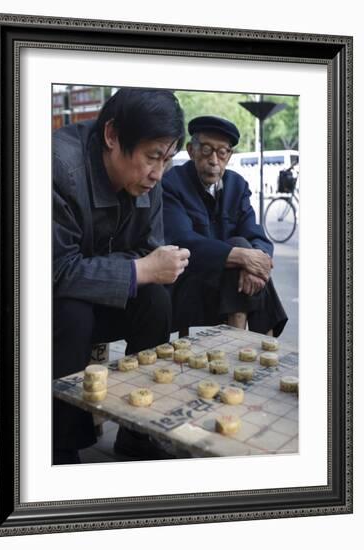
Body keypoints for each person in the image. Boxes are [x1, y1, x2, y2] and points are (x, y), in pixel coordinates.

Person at [53, 88, 189, 464]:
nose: (157, 173)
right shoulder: (57, 166)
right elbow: (53, 270)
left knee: (156, 298)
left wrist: (141, 269)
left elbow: (149, 248)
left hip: (99, 295)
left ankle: (137, 431)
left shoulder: (151, 179)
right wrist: (137, 268)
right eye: (151, 157)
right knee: (71, 310)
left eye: (167, 158)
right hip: (44, 305)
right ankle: (57, 446)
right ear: (112, 136)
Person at [162, 115, 287, 336]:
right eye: (207, 150)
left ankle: (245, 343)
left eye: (222, 152)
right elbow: (182, 240)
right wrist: (241, 257)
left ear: (229, 156)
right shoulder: (173, 183)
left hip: (233, 287)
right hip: (190, 285)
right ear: (191, 151)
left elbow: (256, 235)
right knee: (239, 252)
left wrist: (258, 262)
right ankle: (262, 346)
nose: (214, 160)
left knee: (246, 255)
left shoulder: (237, 186)